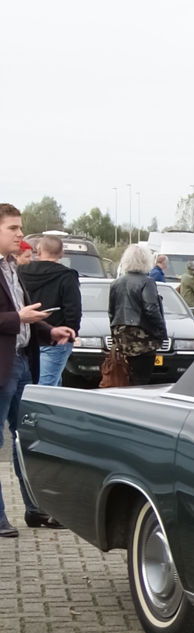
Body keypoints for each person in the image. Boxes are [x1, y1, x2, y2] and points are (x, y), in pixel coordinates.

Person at [0, 203, 73, 536]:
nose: (20, 235)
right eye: (13, 229)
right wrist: (19, 319)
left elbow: (23, 313)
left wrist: (48, 331)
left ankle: (35, 508)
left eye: (19, 228)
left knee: (26, 440)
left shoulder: (12, 267)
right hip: (3, 368)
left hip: (23, 363)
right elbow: (17, 316)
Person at [19, 235, 83, 386]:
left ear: (38, 251)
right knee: (44, 388)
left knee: (47, 384)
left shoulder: (21, 271)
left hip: (28, 335)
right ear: (62, 254)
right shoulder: (67, 276)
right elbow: (73, 308)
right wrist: (71, 332)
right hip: (56, 338)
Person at [109, 244, 169, 386]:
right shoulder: (147, 282)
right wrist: (161, 331)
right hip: (142, 336)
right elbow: (151, 309)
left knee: (124, 374)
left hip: (121, 335)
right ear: (146, 261)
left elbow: (111, 311)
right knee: (142, 378)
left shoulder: (116, 283)